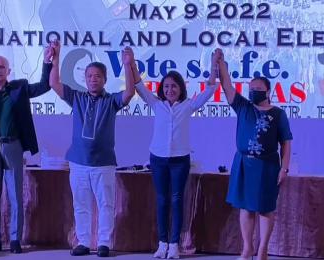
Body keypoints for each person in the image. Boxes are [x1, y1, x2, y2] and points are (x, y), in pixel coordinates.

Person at [128, 48, 219, 259]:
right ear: (161, 89)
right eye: (166, 86)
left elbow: (210, 88)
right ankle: (162, 244)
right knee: (162, 200)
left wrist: (214, 64)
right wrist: (132, 62)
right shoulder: (156, 104)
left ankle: (174, 245)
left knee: (177, 200)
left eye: (174, 86)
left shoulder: (188, 106)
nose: (170, 89)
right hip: (158, 159)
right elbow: (138, 85)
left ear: (181, 89)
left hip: (180, 159)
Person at [48, 39, 135, 257]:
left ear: (104, 80)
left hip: (104, 163)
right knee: (81, 205)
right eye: (89, 76)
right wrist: (56, 56)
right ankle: (84, 242)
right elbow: (54, 83)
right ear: (84, 79)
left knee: (106, 204)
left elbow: (130, 93)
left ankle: (104, 242)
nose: (93, 80)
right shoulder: (76, 97)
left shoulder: (111, 101)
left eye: (97, 76)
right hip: (78, 162)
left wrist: (128, 64)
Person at [0, 47, 54, 254]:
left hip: (13, 146)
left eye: (2, 68)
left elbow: (45, 86)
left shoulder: (19, 88)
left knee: (15, 195)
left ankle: (16, 239)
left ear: (8, 71)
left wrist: (46, 61)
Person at [217, 48, 292, 260]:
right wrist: (220, 62)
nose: (253, 93)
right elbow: (226, 85)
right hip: (243, 164)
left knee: (265, 208)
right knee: (246, 208)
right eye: (250, 89)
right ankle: (247, 248)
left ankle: (262, 250)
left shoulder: (278, 114)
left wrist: (284, 168)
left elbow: (285, 143)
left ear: (268, 91)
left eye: (257, 89)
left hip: (267, 165)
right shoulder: (243, 106)